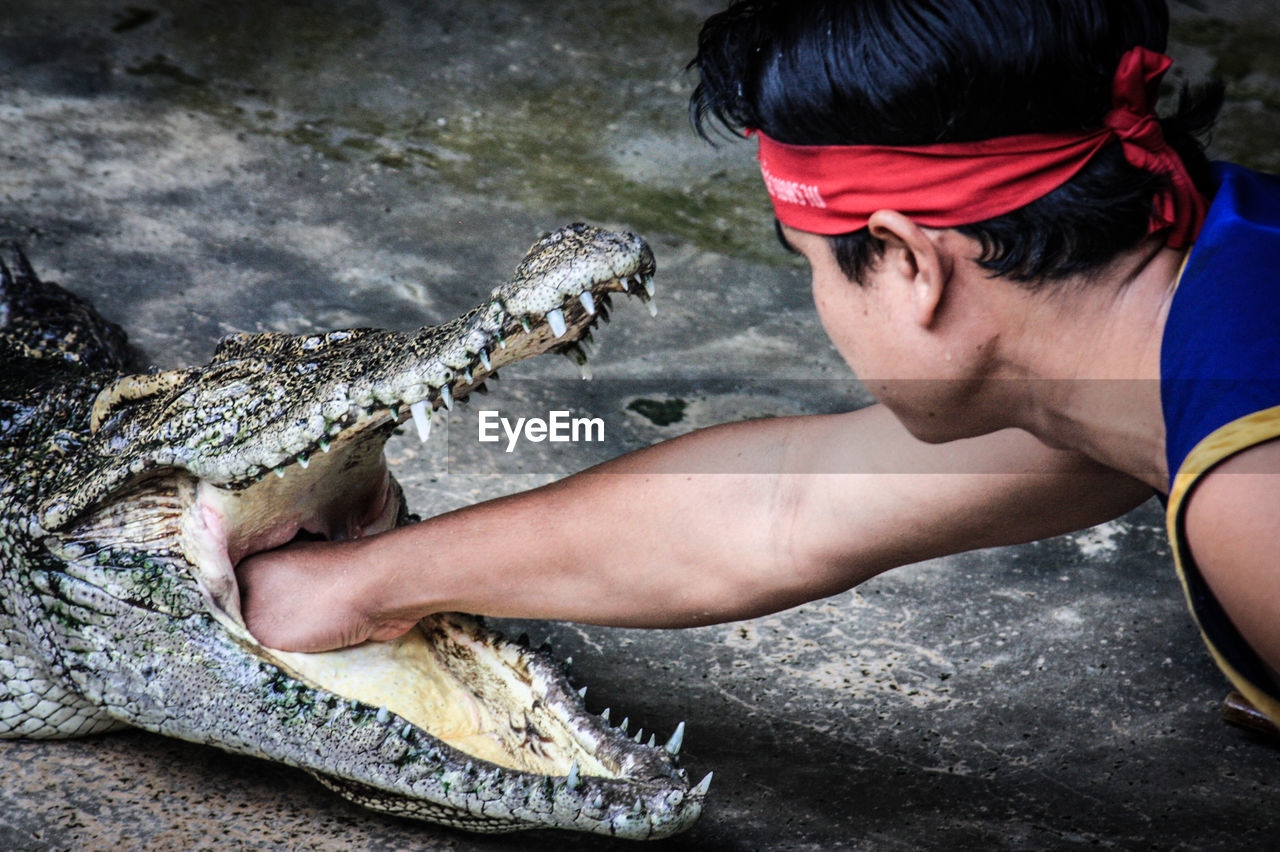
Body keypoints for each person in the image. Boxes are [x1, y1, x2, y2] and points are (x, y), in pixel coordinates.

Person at [237, 0, 1280, 727]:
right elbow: (776, 508)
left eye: (812, 266)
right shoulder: (1152, 324)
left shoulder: (1250, 491)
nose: (819, 301)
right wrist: (361, 585)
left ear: (912, 263)